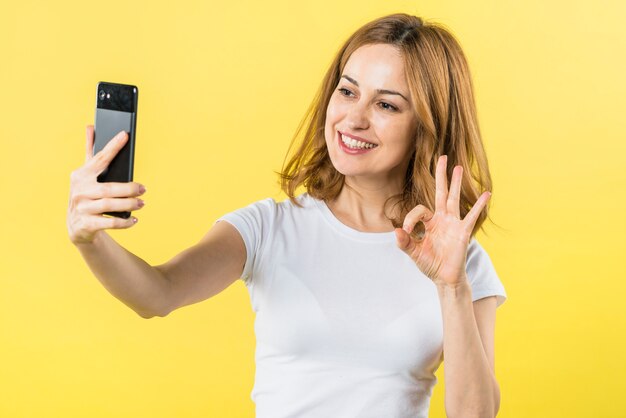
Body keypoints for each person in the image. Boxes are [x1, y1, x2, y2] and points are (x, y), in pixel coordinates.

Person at [67, 13, 506, 418]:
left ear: (427, 126)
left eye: (386, 105)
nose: (353, 118)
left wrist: (451, 289)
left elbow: (475, 414)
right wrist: (91, 240)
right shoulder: (268, 228)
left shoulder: (458, 262)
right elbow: (156, 294)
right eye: (347, 91)